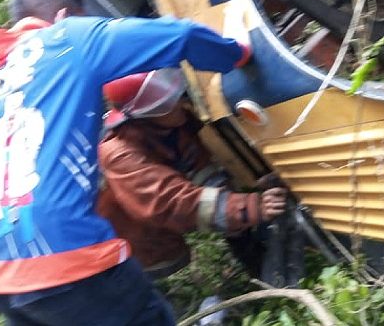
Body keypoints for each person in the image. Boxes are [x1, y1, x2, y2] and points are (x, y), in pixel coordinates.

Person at [0, 0, 252, 326]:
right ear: (65, 15)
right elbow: (181, 35)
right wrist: (237, 53)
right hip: (62, 253)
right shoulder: (68, 38)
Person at [95, 69, 287, 279]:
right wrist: (250, 207)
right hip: (134, 247)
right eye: (166, 104)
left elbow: (199, 166)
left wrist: (234, 208)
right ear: (144, 114)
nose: (179, 105)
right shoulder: (119, 154)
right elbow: (170, 202)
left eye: (175, 96)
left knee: (240, 236)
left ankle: (265, 275)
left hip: (159, 232)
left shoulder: (172, 125)